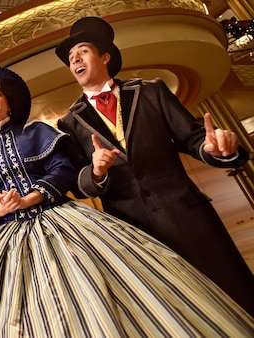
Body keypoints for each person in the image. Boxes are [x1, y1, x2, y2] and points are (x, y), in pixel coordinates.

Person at [0, 66, 254, 337]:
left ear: (9, 103)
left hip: (60, 221)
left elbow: (63, 170)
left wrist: (32, 197)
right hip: (8, 239)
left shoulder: (39, 132)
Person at [55, 16, 254, 315]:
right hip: (134, 230)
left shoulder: (151, 90)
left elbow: (193, 139)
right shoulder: (69, 122)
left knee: (231, 292)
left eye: (82, 51)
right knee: (173, 311)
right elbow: (77, 183)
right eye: (71, 58)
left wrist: (215, 149)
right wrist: (95, 172)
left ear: (105, 56)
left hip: (186, 215)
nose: (75, 60)